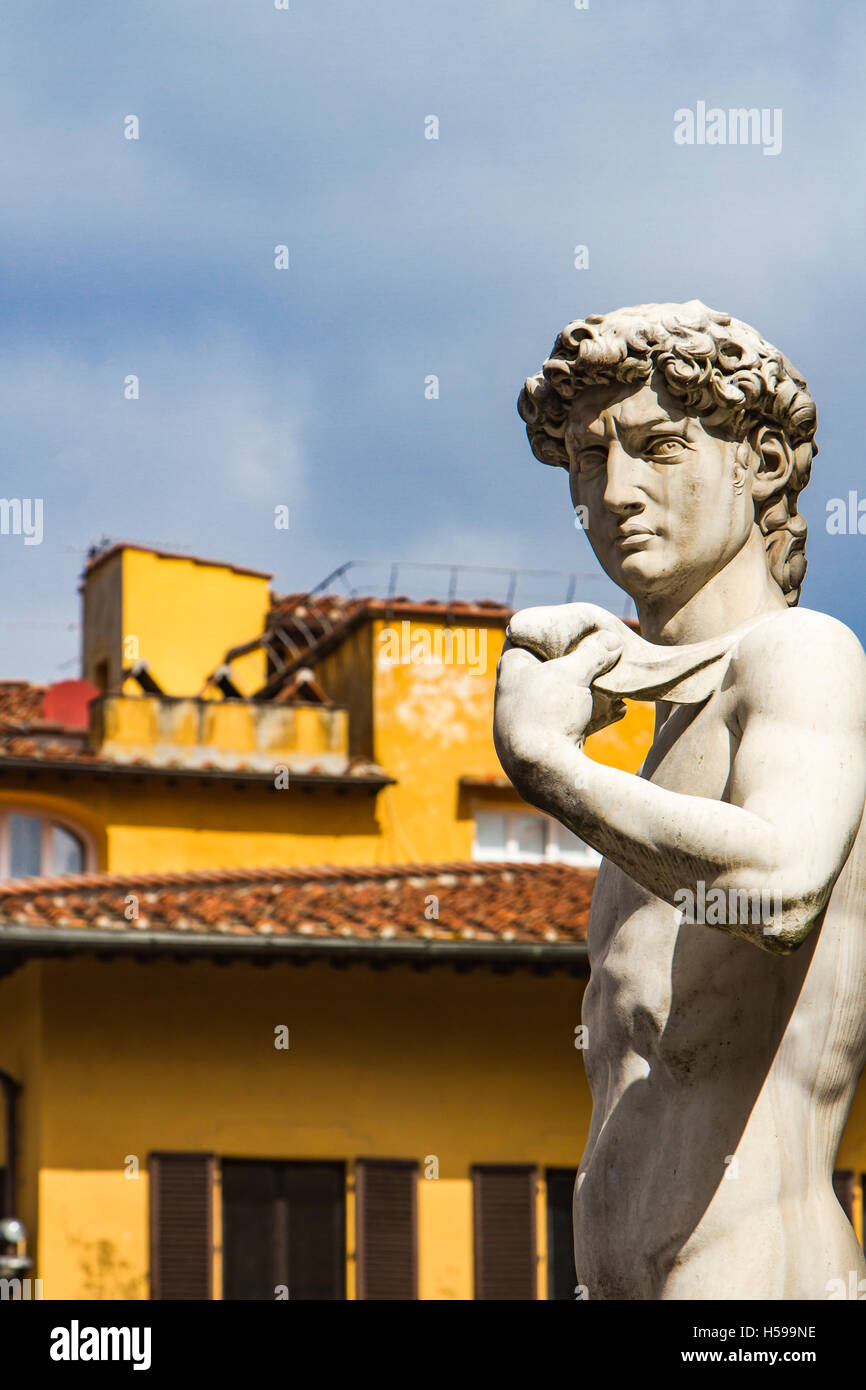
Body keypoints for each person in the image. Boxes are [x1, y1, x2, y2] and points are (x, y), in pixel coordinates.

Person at [493, 301, 866, 1299]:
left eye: (658, 445)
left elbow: (779, 889)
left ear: (765, 464)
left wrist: (548, 764)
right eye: (585, 456)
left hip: (749, 1280)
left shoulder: (799, 656)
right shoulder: (660, 741)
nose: (614, 492)